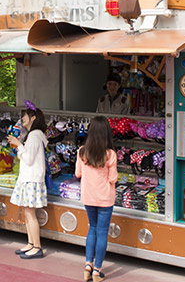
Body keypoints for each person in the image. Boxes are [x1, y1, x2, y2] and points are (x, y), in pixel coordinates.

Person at [75, 116, 118, 282]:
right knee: (102, 232)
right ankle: (97, 271)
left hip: (88, 197)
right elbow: (113, 178)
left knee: (92, 228)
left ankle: (87, 265)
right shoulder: (110, 154)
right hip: (105, 198)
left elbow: (78, 174)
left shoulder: (82, 151)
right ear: (107, 133)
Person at [7, 105, 48, 259]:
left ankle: (37, 247)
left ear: (33, 118)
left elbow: (29, 159)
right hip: (29, 178)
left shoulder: (35, 135)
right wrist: (20, 146)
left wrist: (19, 145)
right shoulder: (34, 135)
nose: (22, 118)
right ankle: (31, 243)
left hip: (31, 179)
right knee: (27, 212)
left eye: (25, 115)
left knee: (30, 214)